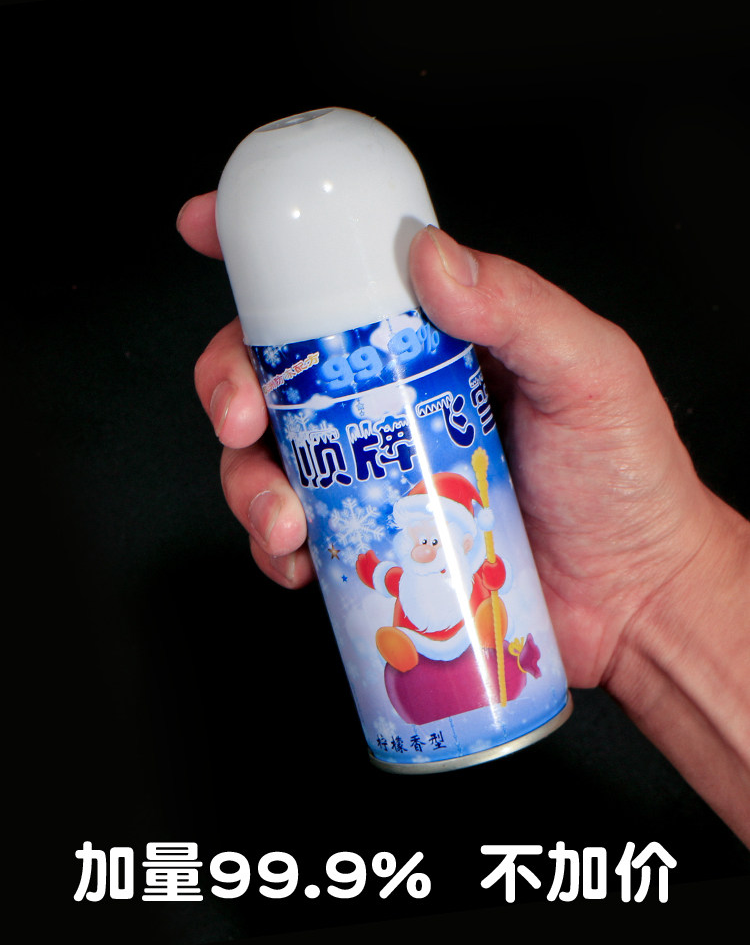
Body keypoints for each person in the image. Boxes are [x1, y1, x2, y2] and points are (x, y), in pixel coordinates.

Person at [178, 191, 750, 847]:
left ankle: (488, 667)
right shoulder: (406, 563)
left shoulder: (473, 551)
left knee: (480, 641)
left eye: (434, 536)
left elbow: (484, 568)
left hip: (476, 634)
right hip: (419, 655)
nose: (425, 547)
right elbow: (382, 568)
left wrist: (661, 583)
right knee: (402, 665)